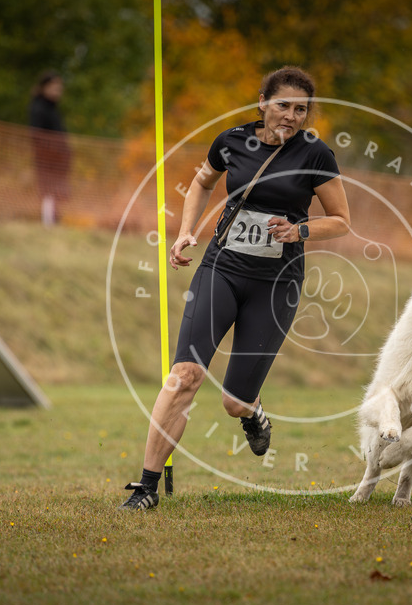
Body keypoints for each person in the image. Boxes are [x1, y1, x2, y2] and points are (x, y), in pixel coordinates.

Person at [121, 66, 352, 510]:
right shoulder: (230, 141)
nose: (290, 115)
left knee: (233, 401)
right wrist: (186, 230)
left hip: (275, 283)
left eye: (300, 109)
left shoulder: (316, 155)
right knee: (183, 376)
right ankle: (147, 487)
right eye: (282, 105)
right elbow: (203, 181)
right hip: (221, 269)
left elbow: (341, 220)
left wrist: (300, 231)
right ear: (263, 102)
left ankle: (253, 410)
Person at [28, 70, 71, 226]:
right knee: (48, 191)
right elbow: (37, 135)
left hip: (59, 157)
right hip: (47, 157)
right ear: (45, 87)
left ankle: (53, 220)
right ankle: (48, 223)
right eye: (54, 87)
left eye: (59, 87)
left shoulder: (53, 108)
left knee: (57, 192)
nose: (58, 91)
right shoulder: (39, 108)